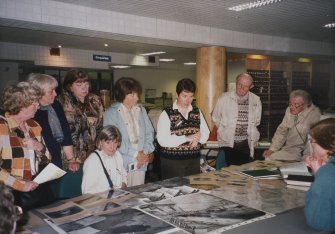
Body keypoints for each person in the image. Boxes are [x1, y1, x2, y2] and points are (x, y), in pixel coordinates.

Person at [0, 82, 53, 210]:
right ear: (21, 105)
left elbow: (47, 159)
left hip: (36, 188)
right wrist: (20, 185)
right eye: (34, 104)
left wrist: (39, 147)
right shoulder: (2, 127)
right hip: (9, 193)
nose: (38, 106)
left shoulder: (34, 125)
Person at [104, 77, 155, 186]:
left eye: (136, 94)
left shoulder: (141, 110)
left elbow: (149, 133)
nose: (137, 98)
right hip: (121, 161)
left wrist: (145, 152)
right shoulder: (111, 113)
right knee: (121, 197)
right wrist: (136, 154)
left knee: (137, 195)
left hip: (141, 162)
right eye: (132, 95)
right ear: (122, 95)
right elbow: (112, 140)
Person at [157, 78, 210, 179]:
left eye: (191, 96)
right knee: (174, 191)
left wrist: (198, 138)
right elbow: (162, 140)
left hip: (193, 160)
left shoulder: (197, 111)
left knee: (193, 191)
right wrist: (187, 138)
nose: (188, 100)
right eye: (184, 96)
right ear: (177, 95)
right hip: (172, 162)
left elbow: (205, 133)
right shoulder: (167, 113)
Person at [27, 73, 79, 172]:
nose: (55, 94)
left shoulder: (55, 105)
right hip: (39, 162)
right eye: (51, 91)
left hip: (57, 159)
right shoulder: (31, 112)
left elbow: (66, 133)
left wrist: (71, 160)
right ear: (39, 93)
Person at [212, 73, 262, 166]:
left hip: (246, 143)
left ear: (251, 86)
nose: (241, 88)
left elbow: (257, 121)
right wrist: (226, 130)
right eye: (239, 84)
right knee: (227, 172)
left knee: (245, 171)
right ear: (236, 82)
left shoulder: (256, 100)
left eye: (245, 86)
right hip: (228, 143)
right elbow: (216, 117)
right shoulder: (224, 98)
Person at [58, 69, 104, 163]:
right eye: (79, 85)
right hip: (70, 156)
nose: (84, 88)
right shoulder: (60, 103)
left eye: (86, 84)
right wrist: (70, 159)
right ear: (70, 87)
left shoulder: (95, 100)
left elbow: (100, 127)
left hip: (92, 153)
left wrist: (99, 149)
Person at [263, 90, 321, 161]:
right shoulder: (289, 110)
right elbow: (282, 131)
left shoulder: (314, 115)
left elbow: (312, 140)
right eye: (290, 103)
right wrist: (272, 149)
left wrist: (307, 158)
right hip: (290, 150)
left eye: (296, 104)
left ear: (306, 105)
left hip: (306, 153)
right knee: (269, 158)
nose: (292, 107)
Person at [303, 118, 335, 232]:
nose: (312, 148)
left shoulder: (327, 174)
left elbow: (317, 221)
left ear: (326, 144)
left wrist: (320, 174)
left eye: (313, 143)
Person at [82, 125, 127, 194]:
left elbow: (123, 174)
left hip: (117, 197)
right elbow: (87, 192)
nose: (112, 147)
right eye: (108, 143)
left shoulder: (118, 155)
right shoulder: (93, 161)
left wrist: (123, 184)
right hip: (100, 202)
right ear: (100, 142)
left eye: (115, 142)